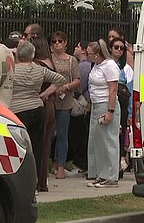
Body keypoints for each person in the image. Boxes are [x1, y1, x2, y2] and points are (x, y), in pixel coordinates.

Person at [11, 40, 66, 193]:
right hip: (37, 108)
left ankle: (20, 182)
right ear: (33, 55)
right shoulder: (39, 70)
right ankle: (34, 183)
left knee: (19, 147)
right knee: (36, 147)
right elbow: (60, 79)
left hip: (18, 110)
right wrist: (44, 94)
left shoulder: (12, 69)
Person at [86, 39, 120, 188]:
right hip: (96, 104)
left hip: (106, 105)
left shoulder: (110, 66)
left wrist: (110, 111)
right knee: (97, 141)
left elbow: (113, 89)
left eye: (90, 54)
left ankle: (111, 176)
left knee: (108, 140)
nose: (87, 56)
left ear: (97, 54)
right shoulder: (96, 66)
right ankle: (101, 173)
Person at [49, 31, 80, 179]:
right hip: (51, 99)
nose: (57, 44)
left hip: (65, 100)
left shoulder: (71, 60)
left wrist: (66, 87)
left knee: (62, 134)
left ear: (65, 43)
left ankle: (61, 165)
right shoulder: (49, 59)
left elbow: (77, 80)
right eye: (54, 41)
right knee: (48, 134)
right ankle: (48, 164)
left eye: (60, 41)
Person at [31, 36, 57, 191]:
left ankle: (36, 180)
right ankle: (43, 180)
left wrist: (41, 95)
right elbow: (58, 81)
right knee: (46, 144)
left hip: (40, 106)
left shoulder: (37, 65)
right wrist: (49, 93)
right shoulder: (50, 63)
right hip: (51, 106)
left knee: (37, 144)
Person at [109, 37, 134, 178]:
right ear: (110, 48)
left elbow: (130, 91)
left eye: (121, 48)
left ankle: (118, 165)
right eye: (116, 47)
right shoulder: (106, 65)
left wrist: (130, 114)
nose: (118, 50)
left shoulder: (126, 69)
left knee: (119, 136)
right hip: (108, 103)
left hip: (123, 107)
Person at [68, 40, 92, 173]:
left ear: (83, 50)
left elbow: (79, 86)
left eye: (77, 46)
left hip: (83, 105)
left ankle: (82, 163)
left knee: (80, 135)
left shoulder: (83, 66)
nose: (75, 48)